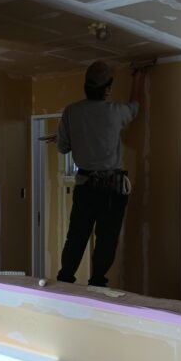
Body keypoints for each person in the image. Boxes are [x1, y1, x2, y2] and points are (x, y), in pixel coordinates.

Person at [55, 60, 148, 287]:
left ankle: (64, 281)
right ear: (107, 89)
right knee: (106, 238)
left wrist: (81, 139)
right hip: (111, 188)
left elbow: (62, 147)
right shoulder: (115, 111)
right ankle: (97, 283)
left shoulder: (71, 111)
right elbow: (135, 107)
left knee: (77, 236)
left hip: (85, 186)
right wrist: (138, 78)